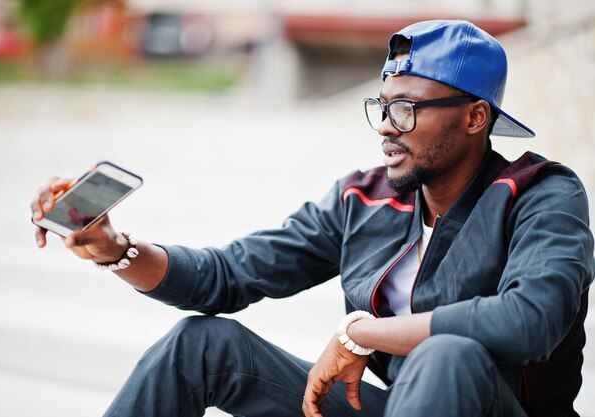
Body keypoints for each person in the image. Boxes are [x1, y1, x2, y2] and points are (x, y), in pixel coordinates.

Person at [31, 20, 594, 417]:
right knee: (199, 345)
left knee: (447, 354)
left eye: (407, 108)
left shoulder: (541, 196)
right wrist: (115, 250)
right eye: (382, 106)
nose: (386, 127)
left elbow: (529, 320)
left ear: (475, 117)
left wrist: (360, 333)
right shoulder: (364, 200)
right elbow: (224, 276)